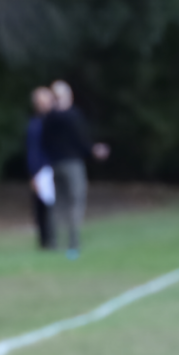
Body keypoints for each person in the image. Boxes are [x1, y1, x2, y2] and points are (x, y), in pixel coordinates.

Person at [39, 81, 110, 258]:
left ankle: (53, 242)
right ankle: (73, 242)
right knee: (76, 202)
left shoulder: (49, 117)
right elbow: (81, 139)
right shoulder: (73, 115)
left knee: (57, 204)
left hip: (55, 164)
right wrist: (93, 150)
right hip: (72, 164)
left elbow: (44, 141)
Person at [26, 86, 56, 250]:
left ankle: (53, 237)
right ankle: (45, 241)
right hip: (41, 169)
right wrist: (33, 173)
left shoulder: (56, 122)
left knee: (53, 206)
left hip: (55, 166)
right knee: (42, 205)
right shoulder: (35, 125)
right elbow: (33, 150)